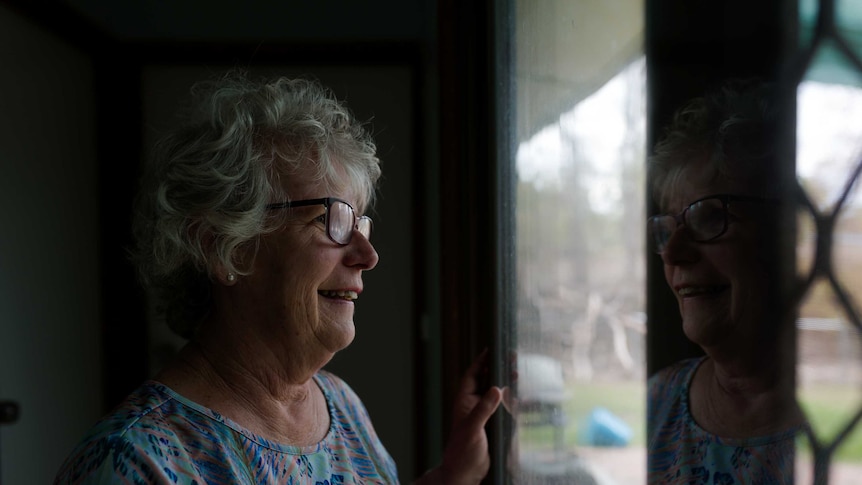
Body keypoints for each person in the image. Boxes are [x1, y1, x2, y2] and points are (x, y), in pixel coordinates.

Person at [54, 73, 503, 484]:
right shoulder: (135, 463)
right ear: (223, 246)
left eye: (360, 223)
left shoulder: (339, 405)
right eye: (332, 221)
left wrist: (451, 476)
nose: (368, 255)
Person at [646, 80, 805, 484]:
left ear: (785, 237)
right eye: (667, 228)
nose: (673, 252)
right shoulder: (658, 401)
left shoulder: (842, 429)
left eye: (708, 217)